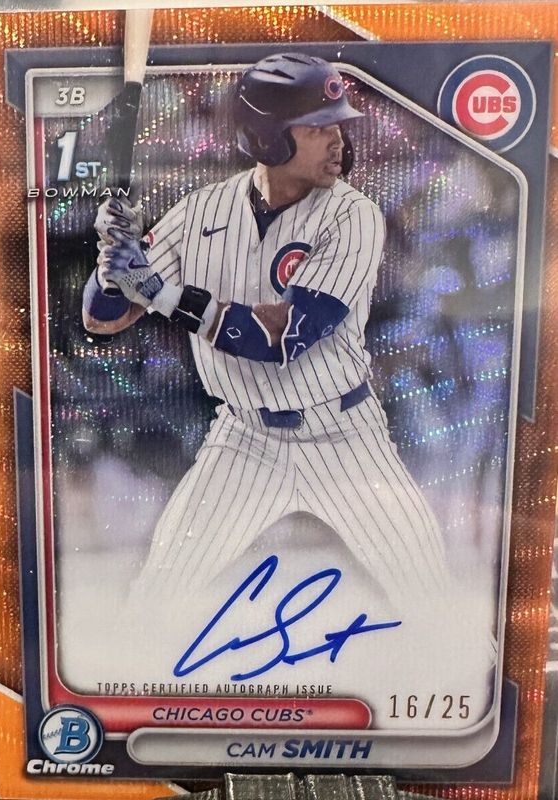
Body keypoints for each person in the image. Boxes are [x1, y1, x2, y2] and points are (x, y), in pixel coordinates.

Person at [82, 52, 448, 612]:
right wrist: (113, 260)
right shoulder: (202, 210)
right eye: (318, 128)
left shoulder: (352, 216)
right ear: (268, 137)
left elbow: (284, 339)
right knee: (156, 596)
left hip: (343, 436)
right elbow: (103, 318)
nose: (338, 141)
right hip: (244, 439)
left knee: (430, 593)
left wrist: (159, 291)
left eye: (338, 126)